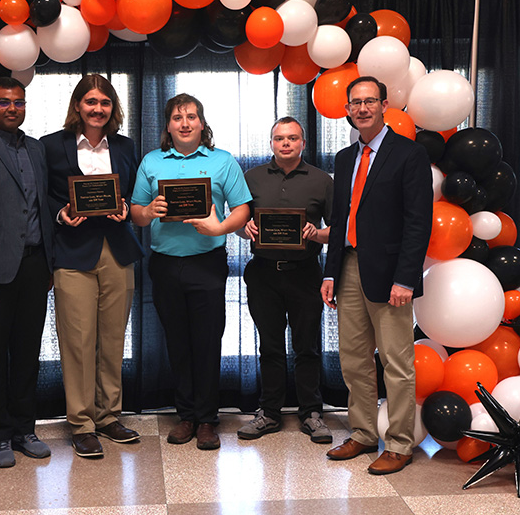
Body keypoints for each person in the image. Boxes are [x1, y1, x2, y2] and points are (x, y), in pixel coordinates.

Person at [320, 76, 432, 475]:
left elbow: (418, 222)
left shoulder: (409, 154)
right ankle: (364, 433)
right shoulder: (344, 158)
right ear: (347, 110)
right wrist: (330, 273)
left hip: (390, 275)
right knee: (353, 360)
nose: (362, 108)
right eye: (356, 102)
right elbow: (340, 220)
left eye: (370, 101)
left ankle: (400, 443)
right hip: (348, 266)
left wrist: (406, 279)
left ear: (385, 105)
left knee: (396, 362)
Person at [130, 93, 252, 451]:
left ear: (202, 123)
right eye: (177, 118)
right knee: (177, 342)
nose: (185, 123)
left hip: (207, 264)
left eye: (191, 117)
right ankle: (185, 415)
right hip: (165, 265)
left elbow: (242, 209)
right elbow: (136, 213)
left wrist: (220, 228)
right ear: (168, 126)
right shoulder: (152, 161)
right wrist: (148, 211)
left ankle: (207, 419)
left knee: (207, 341)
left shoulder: (222, 161)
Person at [40, 74, 144, 458]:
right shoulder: (51, 145)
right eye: (91, 102)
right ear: (78, 106)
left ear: (113, 107)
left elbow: (133, 193)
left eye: (105, 102)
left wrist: (125, 207)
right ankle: (82, 424)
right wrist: (61, 212)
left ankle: (109, 416)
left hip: (117, 250)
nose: (98, 109)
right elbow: (42, 196)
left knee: (113, 339)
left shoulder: (126, 146)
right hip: (72, 253)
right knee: (78, 342)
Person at [0, 78, 55, 468]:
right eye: (4, 102)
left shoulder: (37, 149)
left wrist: (50, 262)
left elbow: (41, 204)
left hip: (35, 265)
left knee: (27, 354)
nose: (12, 108)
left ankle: (24, 429)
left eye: (19, 102)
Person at [235, 117, 334, 444]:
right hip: (263, 274)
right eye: (279, 138)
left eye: (292, 138)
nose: (286, 143)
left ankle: (312, 413)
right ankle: (269, 412)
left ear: (303, 143)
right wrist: (244, 228)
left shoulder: (322, 180)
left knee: (307, 346)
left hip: (305, 274)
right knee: (270, 346)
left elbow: (338, 230)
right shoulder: (251, 178)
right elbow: (238, 222)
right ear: (271, 143)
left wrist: (316, 233)